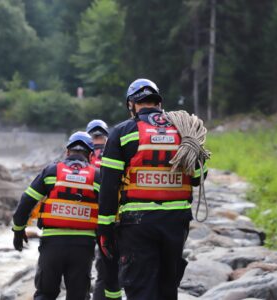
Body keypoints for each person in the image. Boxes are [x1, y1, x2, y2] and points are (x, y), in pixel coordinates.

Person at [97, 78, 208, 300]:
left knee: (140, 288)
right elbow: (197, 178)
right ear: (159, 102)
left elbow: (109, 184)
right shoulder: (185, 130)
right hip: (176, 222)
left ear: (131, 104)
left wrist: (105, 227)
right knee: (167, 287)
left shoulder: (122, 132)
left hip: (137, 223)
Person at [12, 131, 100, 300]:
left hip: (52, 244)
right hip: (84, 246)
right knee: (78, 296)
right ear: (90, 155)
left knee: (45, 293)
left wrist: (18, 231)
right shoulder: (97, 176)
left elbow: (26, 202)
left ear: (67, 152)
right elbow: (109, 209)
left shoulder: (51, 171)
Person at [86, 120, 122, 300]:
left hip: (85, 218)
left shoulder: (84, 152)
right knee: (107, 266)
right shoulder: (114, 149)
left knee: (82, 267)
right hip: (110, 217)